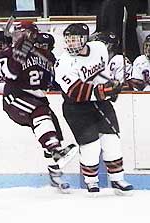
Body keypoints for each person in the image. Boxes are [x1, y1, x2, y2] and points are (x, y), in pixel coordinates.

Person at [0, 21, 78, 191]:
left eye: (23, 32)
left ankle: (55, 175)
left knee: (53, 133)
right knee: (40, 115)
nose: (20, 35)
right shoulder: (6, 54)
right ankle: (56, 151)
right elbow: (11, 74)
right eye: (18, 32)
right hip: (16, 97)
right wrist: (20, 51)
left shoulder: (45, 54)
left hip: (39, 98)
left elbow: (55, 77)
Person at [54, 23, 133, 194]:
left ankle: (118, 179)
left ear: (85, 39)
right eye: (68, 40)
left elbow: (100, 73)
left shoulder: (99, 48)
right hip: (76, 108)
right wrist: (106, 90)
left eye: (75, 40)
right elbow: (77, 92)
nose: (71, 44)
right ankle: (91, 182)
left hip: (100, 103)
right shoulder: (63, 63)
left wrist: (112, 84)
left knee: (112, 141)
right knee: (91, 146)